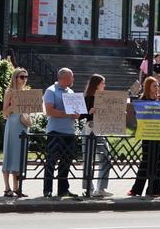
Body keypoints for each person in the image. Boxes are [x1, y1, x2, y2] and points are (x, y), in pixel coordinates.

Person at [42, 68, 79, 199]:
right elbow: (49, 111)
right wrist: (67, 114)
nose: (73, 79)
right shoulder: (51, 91)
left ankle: (63, 190)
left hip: (69, 132)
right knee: (51, 161)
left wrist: (76, 114)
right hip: (55, 132)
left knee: (66, 162)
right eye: (71, 77)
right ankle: (47, 190)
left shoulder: (71, 92)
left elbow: (75, 113)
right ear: (63, 78)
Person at [128, 75, 160, 198]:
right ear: (148, 87)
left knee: (158, 163)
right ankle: (136, 190)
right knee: (146, 162)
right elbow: (138, 116)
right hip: (148, 134)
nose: (157, 88)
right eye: (154, 86)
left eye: (158, 86)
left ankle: (155, 190)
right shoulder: (142, 100)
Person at [81, 73, 113, 198]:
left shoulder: (105, 98)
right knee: (88, 159)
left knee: (106, 157)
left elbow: (109, 115)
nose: (104, 85)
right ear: (97, 84)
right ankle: (88, 188)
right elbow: (80, 116)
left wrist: (119, 114)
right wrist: (89, 113)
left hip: (100, 129)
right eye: (103, 83)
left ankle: (101, 188)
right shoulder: (87, 98)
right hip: (89, 128)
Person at [1, 69, 32, 198]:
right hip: (13, 124)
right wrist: (13, 106)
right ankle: (7, 188)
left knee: (19, 156)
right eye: (22, 77)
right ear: (15, 78)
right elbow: (4, 113)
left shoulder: (26, 93)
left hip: (23, 125)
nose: (24, 79)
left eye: (26, 76)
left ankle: (17, 188)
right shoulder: (10, 92)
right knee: (10, 153)